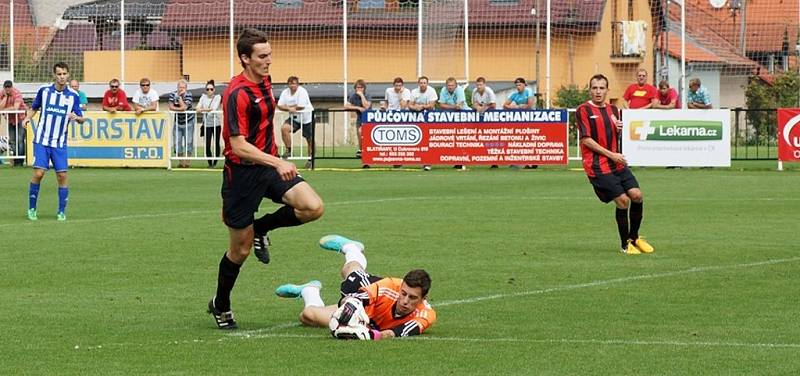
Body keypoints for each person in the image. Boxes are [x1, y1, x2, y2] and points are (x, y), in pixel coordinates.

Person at [207, 29, 324, 330]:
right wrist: (278, 160)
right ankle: (221, 305)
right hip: (241, 176)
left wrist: (273, 160)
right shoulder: (236, 93)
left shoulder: (267, 82)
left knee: (312, 206)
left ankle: (261, 228)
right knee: (240, 251)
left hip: (268, 167)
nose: (269, 60)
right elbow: (238, 145)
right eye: (262, 56)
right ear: (245, 58)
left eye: (270, 54)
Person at [275, 235, 436, 340]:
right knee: (351, 276)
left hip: (370, 322)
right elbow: (355, 298)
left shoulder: (425, 314)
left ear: (423, 299)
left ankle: (309, 290)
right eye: (404, 293)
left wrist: (368, 334)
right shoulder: (389, 287)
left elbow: (395, 333)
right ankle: (351, 248)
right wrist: (349, 310)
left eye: (413, 297)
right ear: (400, 287)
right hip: (370, 296)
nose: (405, 301)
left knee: (307, 316)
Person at [576, 74, 654, 255]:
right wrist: (612, 154)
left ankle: (635, 239)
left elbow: (612, 133)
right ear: (590, 90)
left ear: (607, 90)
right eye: (594, 88)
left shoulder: (614, 110)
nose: (598, 91)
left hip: (616, 162)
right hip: (597, 165)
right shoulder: (583, 110)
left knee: (637, 195)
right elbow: (586, 140)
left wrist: (618, 129)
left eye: (601, 88)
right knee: (623, 200)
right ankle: (625, 245)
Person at [26, 62, 85, 221]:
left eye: (64, 74)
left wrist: (77, 117)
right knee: (39, 173)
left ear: (68, 75)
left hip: (59, 143)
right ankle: (32, 208)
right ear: (54, 75)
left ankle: (61, 211)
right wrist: (26, 118)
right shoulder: (44, 91)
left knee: (62, 176)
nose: (62, 77)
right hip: (42, 140)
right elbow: (34, 107)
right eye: (59, 74)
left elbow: (81, 119)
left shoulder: (73, 96)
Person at [278, 76, 314, 169]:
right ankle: (288, 150)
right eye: (290, 83)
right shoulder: (285, 92)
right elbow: (280, 105)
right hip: (294, 118)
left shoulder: (302, 91)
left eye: (294, 83)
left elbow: (301, 106)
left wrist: (289, 107)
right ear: (288, 84)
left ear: (297, 84)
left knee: (309, 139)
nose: (292, 85)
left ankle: (311, 159)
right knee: (284, 128)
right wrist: (290, 108)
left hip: (307, 118)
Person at [344, 79, 371, 168]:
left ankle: (366, 155)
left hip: (369, 119)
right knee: (360, 133)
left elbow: (367, 106)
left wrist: (362, 96)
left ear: (364, 88)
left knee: (364, 135)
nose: (359, 89)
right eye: (357, 87)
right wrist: (358, 108)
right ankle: (362, 153)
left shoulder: (367, 95)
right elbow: (346, 106)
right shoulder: (353, 96)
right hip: (360, 119)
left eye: (361, 87)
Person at [0, 80, 28, 166]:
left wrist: (4, 110)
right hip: (10, 120)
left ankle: (20, 161)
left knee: (20, 140)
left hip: (20, 119)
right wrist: (5, 98)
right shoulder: (2, 93)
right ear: (4, 88)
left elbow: (16, 107)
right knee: (12, 141)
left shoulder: (17, 93)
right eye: (6, 88)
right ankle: (15, 161)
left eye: (9, 87)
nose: (8, 89)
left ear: (12, 87)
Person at [169, 79, 195, 168]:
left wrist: (179, 98)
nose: (181, 89)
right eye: (180, 87)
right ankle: (181, 162)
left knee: (188, 142)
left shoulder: (189, 95)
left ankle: (187, 163)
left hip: (189, 121)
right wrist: (179, 109)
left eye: (183, 87)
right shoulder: (172, 94)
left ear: (186, 88)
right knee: (177, 143)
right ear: (177, 87)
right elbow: (170, 107)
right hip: (178, 122)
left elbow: (184, 107)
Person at [197, 79, 222, 167]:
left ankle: (215, 162)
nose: (209, 91)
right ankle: (210, 163)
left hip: (216, 124)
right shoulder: (203, 97)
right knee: (207, 145)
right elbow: (197, 108)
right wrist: (202, 109)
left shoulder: (217, 97)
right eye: (207, 89)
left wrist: (202, 110)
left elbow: (214, 108)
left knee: (216, 143)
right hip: (207, 124)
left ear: (214, 90)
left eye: (211, 89)